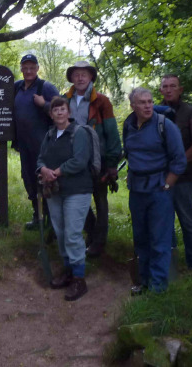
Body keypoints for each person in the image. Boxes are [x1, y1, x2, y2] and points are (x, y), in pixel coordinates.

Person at [123, 87, 186, 293]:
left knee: (159, 239)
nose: (148, 105)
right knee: (141, 238)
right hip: (136, 190)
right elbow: (129, 153)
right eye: (142, 102)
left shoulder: (164, 125)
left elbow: (179, 160)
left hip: (159, 190)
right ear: (133, 106)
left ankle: (158, 289)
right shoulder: (128, 125)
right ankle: (144, 281)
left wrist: (168, 184)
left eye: (150, 101)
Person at [36, 96, 92, 301]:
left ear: (68, 112)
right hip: (54, 190)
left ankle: (79, 279)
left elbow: (80, 160)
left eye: (63, 109)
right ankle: (68, 270)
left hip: (77, 190)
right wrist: (42, 169)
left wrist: (56, 172)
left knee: (73, 233)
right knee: (60, 232)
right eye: (55, 110)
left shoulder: (79, 133)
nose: (59, 113)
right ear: (51, 115)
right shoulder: (50, 134)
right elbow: (40, 157)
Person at [64, 61, 122, 257]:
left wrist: (112, 163)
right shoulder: (65, 100)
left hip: (99, 158)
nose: (80, 78)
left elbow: (112, 132)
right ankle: (91, 231)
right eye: (77, 74)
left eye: (84, 74)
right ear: (71, 78)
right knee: (77, 196)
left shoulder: (102, 102)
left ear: (90, 78)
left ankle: (99, 242)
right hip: (75, 158)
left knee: (100, 199)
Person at [160, 74, 192, 269]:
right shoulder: (156, 111)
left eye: (173, 86)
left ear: (180, 89)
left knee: (188, 222)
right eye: (165, 86)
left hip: (185, 178)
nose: (169, 89)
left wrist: (179, 162)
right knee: (164, 223)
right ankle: (169, 264)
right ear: (161, 90)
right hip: (161, 178)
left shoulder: (189, 113)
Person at [12, 53, 59, 230]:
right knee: (29, 179)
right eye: (26, 67)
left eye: (32, 67)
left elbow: (62, 111)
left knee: (44, 181)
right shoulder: (17, 87)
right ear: (21, 69)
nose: (29, 70)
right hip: (24, 145)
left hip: (43, 146)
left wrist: (44, 104)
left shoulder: (45, 87)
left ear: (38, 68)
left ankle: (50, 219)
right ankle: (37, 216)